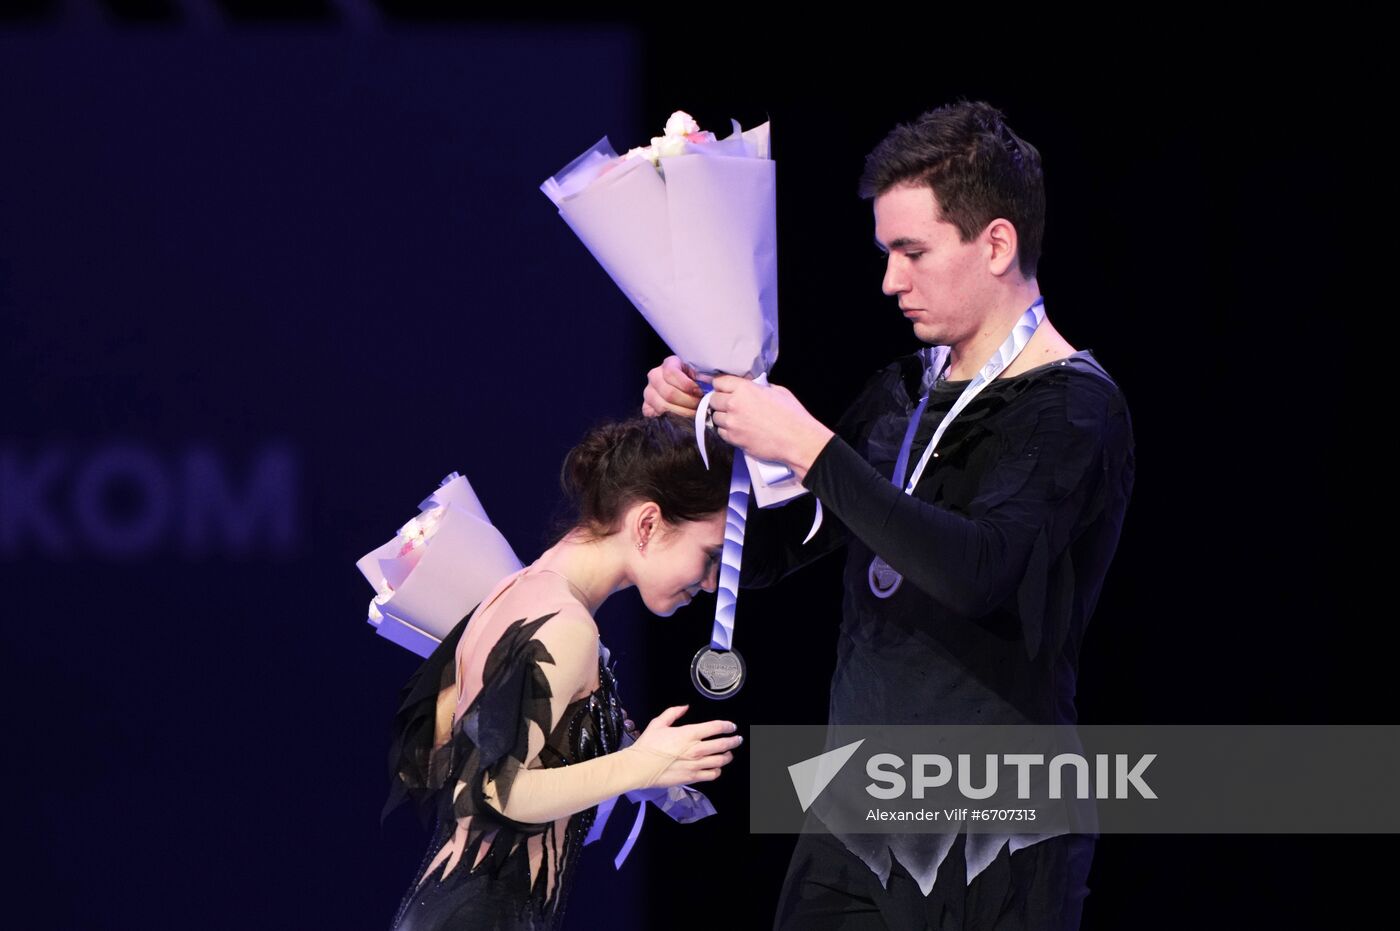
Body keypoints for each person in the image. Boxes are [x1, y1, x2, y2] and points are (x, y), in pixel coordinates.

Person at [642, 100, 1135, 929]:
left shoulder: (1074, 409)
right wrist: (696, 430)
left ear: (997, 243)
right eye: (885, 253)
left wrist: (809, 447)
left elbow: (974, 573)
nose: (889, 281)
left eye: (912, 252)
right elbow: (769, 551)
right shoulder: (902, 393)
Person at [383, 412, 746, 930]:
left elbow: (440, 755)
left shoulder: (517, 593)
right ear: (647, 524)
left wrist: (641, 769)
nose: (712, 583)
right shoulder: (565, 624)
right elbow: (489, 790)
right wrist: (639, 765)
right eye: (710, 556)